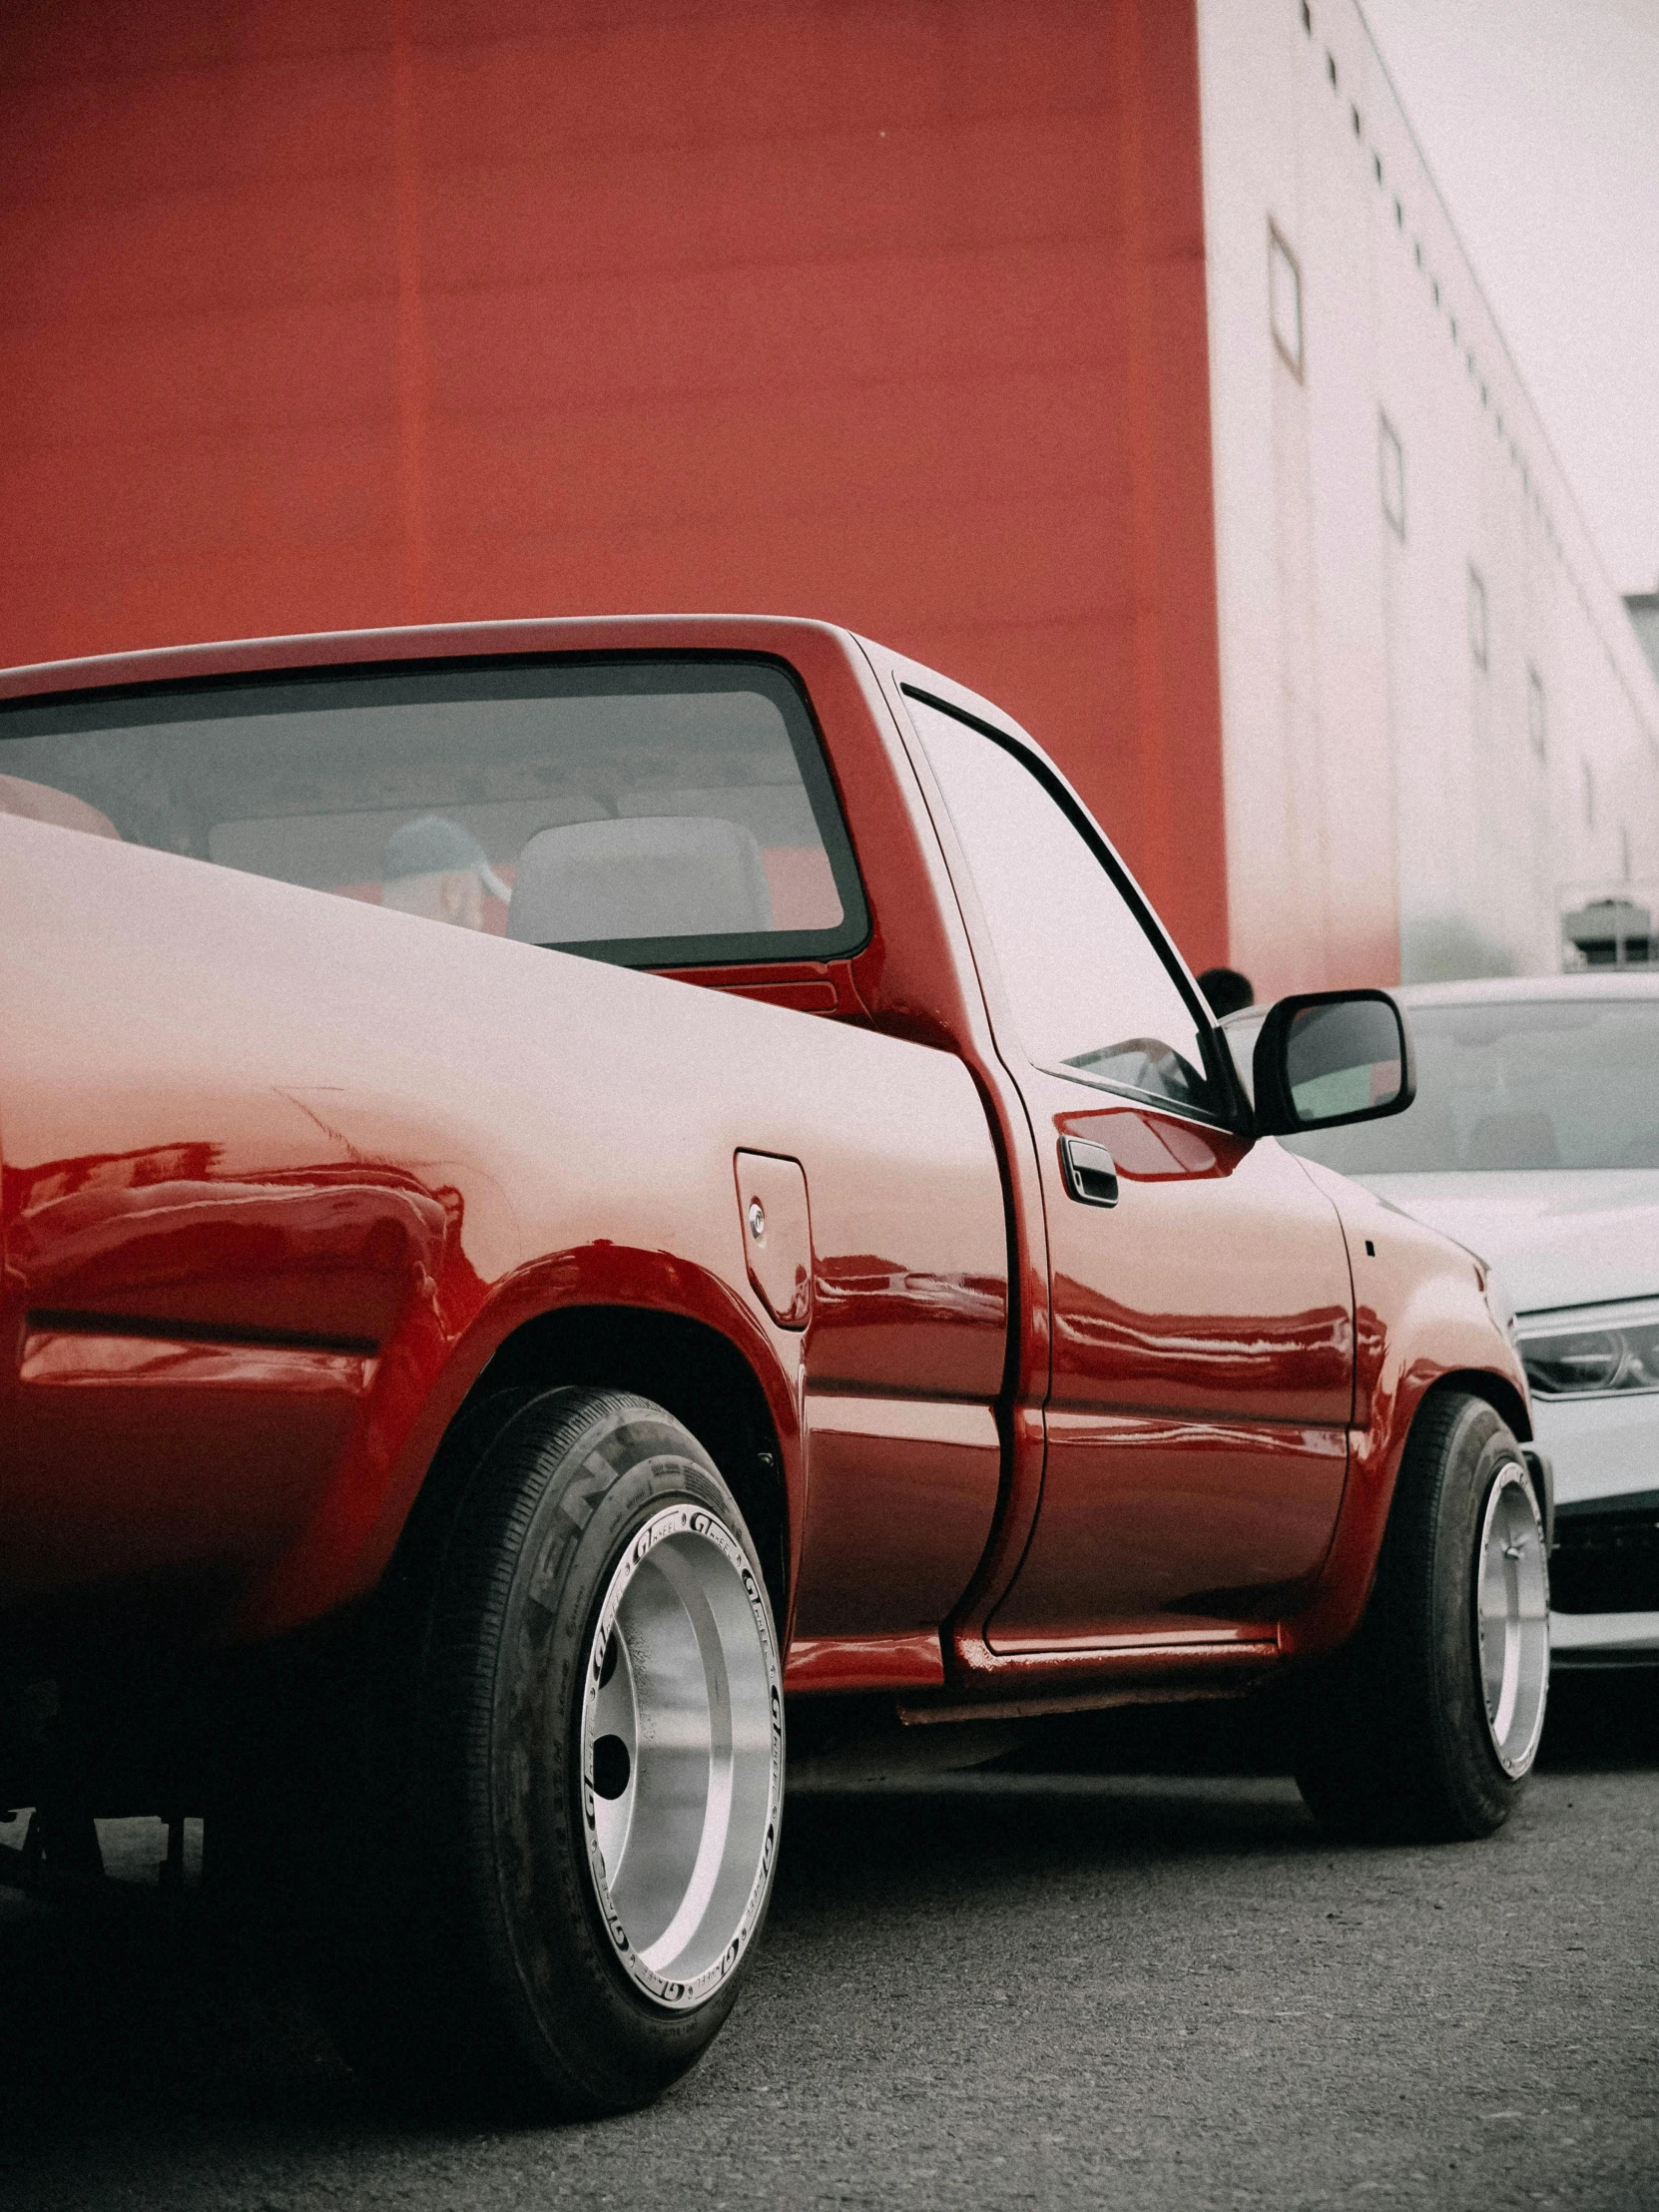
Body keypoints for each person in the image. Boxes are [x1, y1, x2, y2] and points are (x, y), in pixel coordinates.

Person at [380, 815, 510, 930]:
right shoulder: (446, 955)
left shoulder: (366, 947)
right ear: (453, 890)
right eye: (479, 903)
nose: (480, 921)